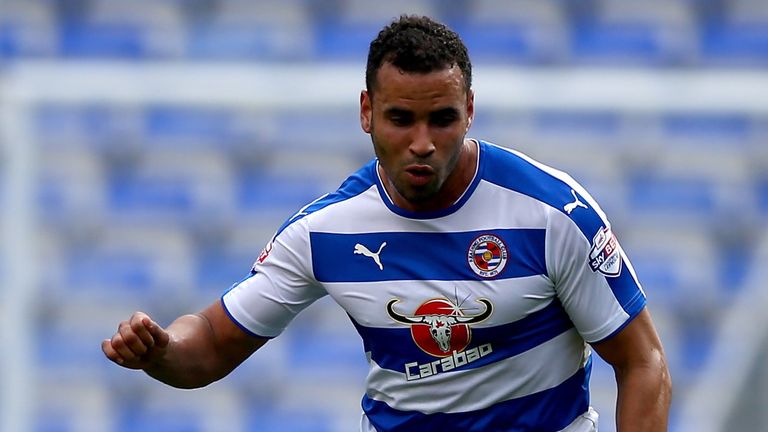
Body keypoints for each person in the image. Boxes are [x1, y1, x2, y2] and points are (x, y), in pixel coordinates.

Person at [102, 15, 672, 431]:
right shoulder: (326, 231)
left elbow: (642, 360)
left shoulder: (552, 213)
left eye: (442, 119)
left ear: (469, 110)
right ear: (367, 112)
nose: (422, 143)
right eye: (401, 119)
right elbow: (209, 344)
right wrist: (161, 350)